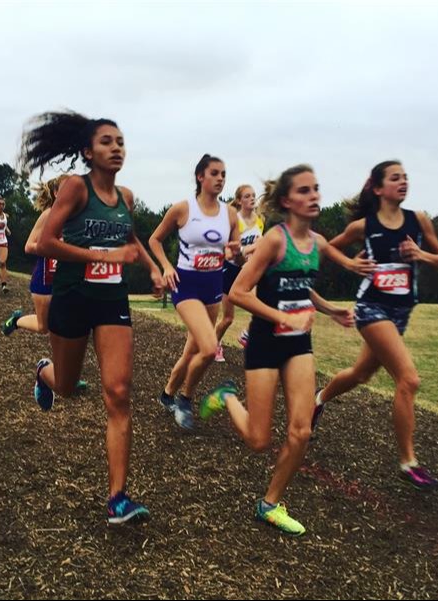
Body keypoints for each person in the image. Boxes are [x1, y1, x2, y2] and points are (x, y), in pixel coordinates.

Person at [199, 164, 374, 535]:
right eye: (305, 191)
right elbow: (239, 292)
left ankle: (270, 503)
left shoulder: (318, 242)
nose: (314, 196)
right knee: (258, 440)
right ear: (286, 201)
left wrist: (329, 309)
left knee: (301, 431)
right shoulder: (274, 240)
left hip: (299, 345)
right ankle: (227, 396)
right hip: (265, 343)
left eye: (316, 189)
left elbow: (300, 285)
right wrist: (283, 316)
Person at [19, 109, 163, 524]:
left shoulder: (127, 198)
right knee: (65, 386)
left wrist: (152, 267)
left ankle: (118, 497)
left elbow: (128, 235)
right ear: (87, 151)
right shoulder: (75, 189)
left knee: (118, 393)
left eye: (120, 142)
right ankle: (43, 371)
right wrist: (100, 255)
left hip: (111, 300)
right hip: (71, 296)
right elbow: (46, 241)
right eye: (106, 142)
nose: (116, 148)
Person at [311, 160, 438, 490]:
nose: (403, 182)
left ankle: (318, 400)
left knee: (361, 374)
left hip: (401, 312)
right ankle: (408, 463)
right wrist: (349, 263)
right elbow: (329, 246)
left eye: (406, 178)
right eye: (395, 178)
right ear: (378, 187)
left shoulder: (419, 221)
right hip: (372, 308)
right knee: (408, 379)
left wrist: (421, 254)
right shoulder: (365, 226)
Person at [149, 154, 240, 430]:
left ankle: (167, 395)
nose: (221, 179)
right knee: (210, 348)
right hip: (185, 284)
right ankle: (185, 400)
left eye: (224, 174)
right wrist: (165, 266)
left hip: (213, 284)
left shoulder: (230, 214)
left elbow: (235, 256)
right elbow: (154, 239)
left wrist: (236, 253)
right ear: (201, 176)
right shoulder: (183, 209)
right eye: (215, 173)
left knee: (192, 351)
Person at [1, 176, 87, 390]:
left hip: (69, 281)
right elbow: (29, 246)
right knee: (43, 327)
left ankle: (66, 376)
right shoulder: (49, 215)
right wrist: (56, 246)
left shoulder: (80, 218)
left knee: (68, 328)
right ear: (57, 193)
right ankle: (17, 321)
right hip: (46, 278)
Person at [214, 184, 264, 362]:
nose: (252, 199)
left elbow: (259, 247)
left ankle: (247, 335)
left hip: (248, 270)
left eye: (253, 195)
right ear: (240, 200)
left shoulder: (259, 220)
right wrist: (251, 248)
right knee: (228, 318)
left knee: (262, 306)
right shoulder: (235, 220)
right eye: (247, 196)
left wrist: (257, 254)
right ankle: (215, 344)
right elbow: (230, 250)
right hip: (231, 269)